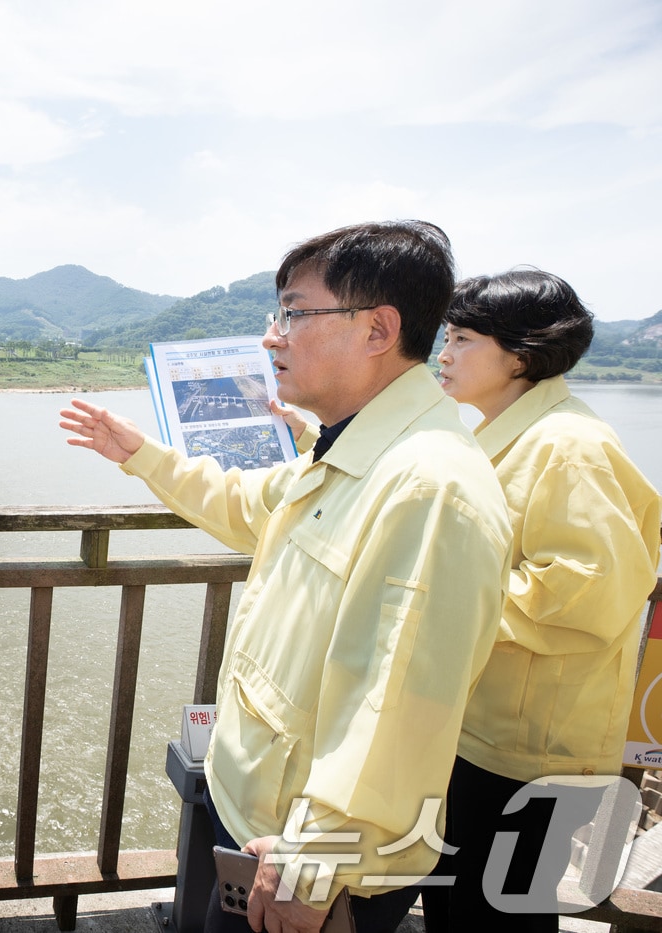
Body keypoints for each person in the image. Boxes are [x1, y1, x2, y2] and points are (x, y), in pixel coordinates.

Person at [61, 220, 513, 933]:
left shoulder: (429, 486)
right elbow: (247, 505)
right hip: (262, 828)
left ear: (378, 329)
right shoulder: (346, 452)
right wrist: (141, 454)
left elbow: (393, 704)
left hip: (307, 866)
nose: (272, 336)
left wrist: (312, 860)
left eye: (294, 313)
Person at [417, 269, 662, 930]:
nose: (444, 352)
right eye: (447, 335)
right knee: (459, 898)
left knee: (499, 910)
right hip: (484, 727)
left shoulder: (570, 448)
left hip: (531, 748)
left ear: (520, 355)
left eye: (462, 338)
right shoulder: (515, 430)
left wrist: (442, 601)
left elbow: (590, 589)